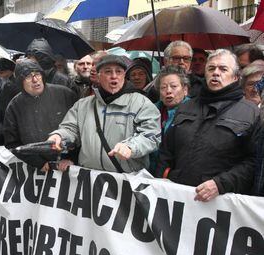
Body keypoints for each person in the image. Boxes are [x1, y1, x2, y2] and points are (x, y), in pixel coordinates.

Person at [156, 49, 261, 201]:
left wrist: (220, 184)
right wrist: (162, 180)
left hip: (220, 203)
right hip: (177, 196)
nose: (216, 73)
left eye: (223, 69)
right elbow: (166, 151)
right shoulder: (186, 107)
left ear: (236, 77)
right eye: (211, 68)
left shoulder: (251, 114)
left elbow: (253, 162)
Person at [48, 55, 161, 173]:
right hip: (89, 180)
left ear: (124, 76)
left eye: (119, 72)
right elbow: (70, 129)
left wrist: (131, 147)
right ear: (98, 76)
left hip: (127, 181)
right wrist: (59, 136)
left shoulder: (141, 103)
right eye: (108, 72)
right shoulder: (83, 105)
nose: (114, 76)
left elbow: (151, 134)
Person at [4, 59, 77, 170]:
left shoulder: (65, 94)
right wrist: (38, 162)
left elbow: (80, 128)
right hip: (37, 170)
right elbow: (12, 143)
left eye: (37, 74)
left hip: (69, 166)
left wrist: (72, 158)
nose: (35, 80)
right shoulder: (14, 106)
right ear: (20, 81)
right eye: (28, 77)